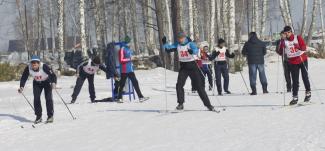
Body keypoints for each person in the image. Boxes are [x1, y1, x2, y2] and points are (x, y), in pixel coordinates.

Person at [162, 32, 215, 111]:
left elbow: (196, 50)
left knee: (199, 87)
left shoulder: (190, 44)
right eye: (179, 39)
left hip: (193, 66)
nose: (180, 40)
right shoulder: (177, 44)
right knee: (179, 85)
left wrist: (192, 52)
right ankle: (180, 104)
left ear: (184, 38)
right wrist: (164, 43)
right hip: (183, 67)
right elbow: (168, 49)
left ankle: (208, 105)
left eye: (181, 38)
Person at [277, 26, 311, 105]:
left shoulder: (297, 37)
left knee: (305, 77)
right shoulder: (284, 41)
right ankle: (295, 97)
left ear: (291, 32)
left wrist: (298, 47)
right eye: (285, 33)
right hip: (293, 62)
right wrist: (281, 44)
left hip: (302, 60)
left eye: (288, 32)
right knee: (295, 80)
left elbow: (304, 47)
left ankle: (308, 93)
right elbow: (280, 52)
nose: (287, 34)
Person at [18, 55, 57, 124]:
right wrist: (21, 86)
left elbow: (52, 75)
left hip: (46, 82)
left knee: (48, 98)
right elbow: (24, 77)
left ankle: (50, 116)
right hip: (36, 83)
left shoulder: (44, 66)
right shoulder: (28, 67)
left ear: (38, 63)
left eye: (35, 63)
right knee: (36, 98)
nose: (34, 65)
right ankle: (39, 116)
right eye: (32, 63)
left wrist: (53, 83)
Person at [115, 36, 149, 103]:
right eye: (129, 42)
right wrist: (130, 59)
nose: (130, 43)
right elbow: (121, 60)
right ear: (127, 42)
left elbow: (130, 58)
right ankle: (119, 98)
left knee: (135, 83)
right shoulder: (122, 49)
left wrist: (134, 58)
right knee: (122, 84)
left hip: (130, 69)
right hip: (124, 70)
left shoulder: (128, 49)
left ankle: (140, 97)